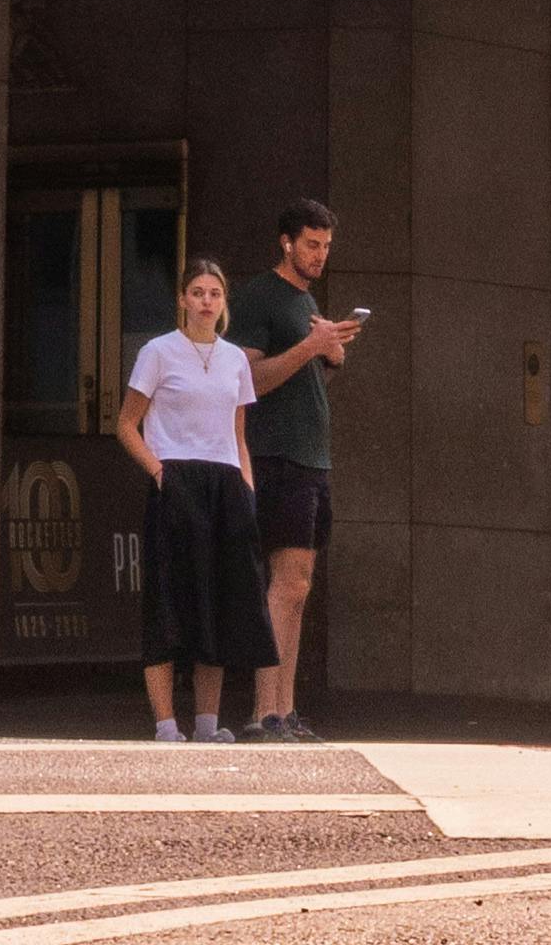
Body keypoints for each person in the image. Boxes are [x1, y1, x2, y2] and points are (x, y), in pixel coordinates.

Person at [120, 258, 266, 744]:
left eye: (215, 293)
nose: (206, 301)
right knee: (169, 596)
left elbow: (238, 432)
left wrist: (246, 488)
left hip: (225, 481)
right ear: (183, 299)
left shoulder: (235, 361)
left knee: (217, 601)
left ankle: (206, 723)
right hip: (176, 477)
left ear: (224, 302)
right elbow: (126, 424)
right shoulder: (158, 352)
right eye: (198, 292)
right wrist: (160, 471)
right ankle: (166, 723)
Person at [226, 198, 355, 736]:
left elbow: (299, 382)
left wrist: (330, 357)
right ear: (286, 242)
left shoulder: (307, 300)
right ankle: (265, 710)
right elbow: (248, 381)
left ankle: (286, 707)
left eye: (326, 246)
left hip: (311, 457)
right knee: (284, 584)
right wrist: (311, 346)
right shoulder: (260, 295)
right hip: (276, 454)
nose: (320, 255)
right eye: (311, 244)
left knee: (298, 586)